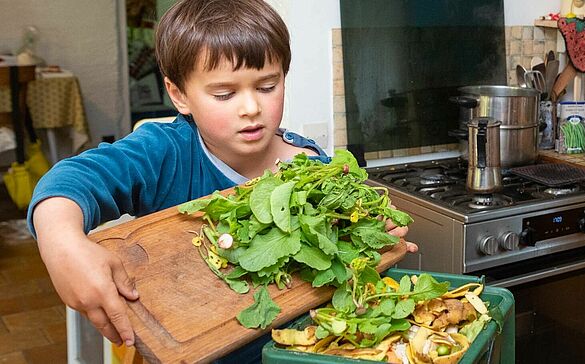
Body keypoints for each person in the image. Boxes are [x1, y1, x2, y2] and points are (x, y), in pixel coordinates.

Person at [28, 0, 413, 349]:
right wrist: (61, 242)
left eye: (267, 85)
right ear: (179, 95)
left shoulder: (312, 168)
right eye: (224, 94)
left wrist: (370, 241)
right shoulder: (166, 153)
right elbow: (72, 178)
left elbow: (336, 273)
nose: (251, 107)